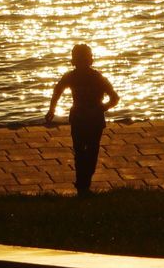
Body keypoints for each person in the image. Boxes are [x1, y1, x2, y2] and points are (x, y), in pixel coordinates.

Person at [44, 43, 119, 196]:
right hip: (83, 119)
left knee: (87, 152)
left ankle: (84, 184)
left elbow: (114, 98)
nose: (82, 64)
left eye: (83, 60)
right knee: (83, 152)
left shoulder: (95, 78)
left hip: (91, 119)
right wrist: (52, 109)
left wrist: (100, 108)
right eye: (80, 60)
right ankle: (82, 185)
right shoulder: (76, 77)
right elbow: (57, 91)